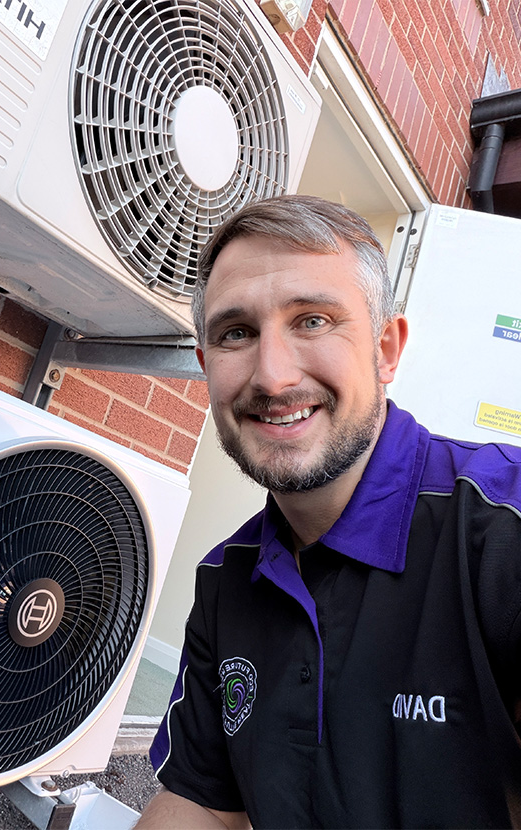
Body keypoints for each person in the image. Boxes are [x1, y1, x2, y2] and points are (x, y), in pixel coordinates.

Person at [136, 195, 521, 829]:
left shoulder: (499, 533)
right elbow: (204, 805)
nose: (273, 376)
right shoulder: (226, 580)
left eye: (313, 320)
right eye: (237, 333)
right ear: (206, 369)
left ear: (387, 348)